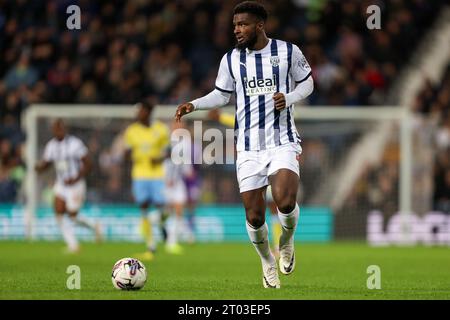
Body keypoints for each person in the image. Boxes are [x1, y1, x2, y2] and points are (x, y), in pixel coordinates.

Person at [175, 1, 313, 288]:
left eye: (243, 24)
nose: (236, 29)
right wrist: (194, 104)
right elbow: (221, 95)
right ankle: (266, 261)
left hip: (282, 140)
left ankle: (286, 242)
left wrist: (288, 98)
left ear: (260, 25)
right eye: (235, 24)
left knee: (285, 201)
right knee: (253, 214)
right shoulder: (231, 60)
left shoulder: (288, 51)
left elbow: (308, 83)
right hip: (248, 147)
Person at [208, 108, 282, 257]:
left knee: (273, 205)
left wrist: (221, 116)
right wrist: (221, 117)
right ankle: (275, 246)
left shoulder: (271, 118)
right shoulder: (253, 118)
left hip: (272, 160)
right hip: (253, 164)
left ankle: (279, 246)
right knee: (263, 207)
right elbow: (239, 122)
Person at [35, 119, 101, 253]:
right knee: (58, 212)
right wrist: (39, 167)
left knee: (72, 215)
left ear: (65, 129)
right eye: (56, 128)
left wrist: (76, 178)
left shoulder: (75, 144)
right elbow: (47, 163)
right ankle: (73, 245)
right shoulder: (51, 145)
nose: (58, 131)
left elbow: (88, 164)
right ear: (53, 130)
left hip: (76, 184)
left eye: (60, 128)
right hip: (61, 184)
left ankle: (94, 226)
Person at [123, 101, 170, 260]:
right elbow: (127, 152)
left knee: (161, 207)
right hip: (139, 174)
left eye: (141, 111)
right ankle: (151, 245)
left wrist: (159, 159)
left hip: (157, 174)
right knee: (143, 206)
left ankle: (162, 225)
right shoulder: (131, 131)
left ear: (149, 112)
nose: (138, 114)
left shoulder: (161, 129)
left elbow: (169, 151)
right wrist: (126, 156)